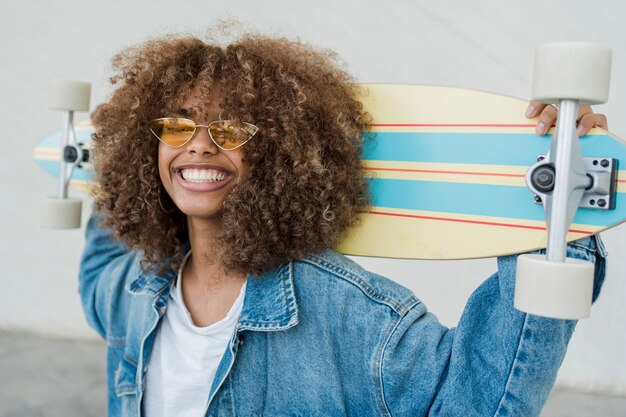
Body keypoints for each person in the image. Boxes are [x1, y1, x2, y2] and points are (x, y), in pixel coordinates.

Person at [79, 33, 609, 417]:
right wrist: (105, 161)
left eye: (232, 127)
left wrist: (559, 212)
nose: (199, 143)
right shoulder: (133, 290)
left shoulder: (341, 312)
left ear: (280, 155)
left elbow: (473, 402)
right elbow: (97, 266)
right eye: (177, 124)